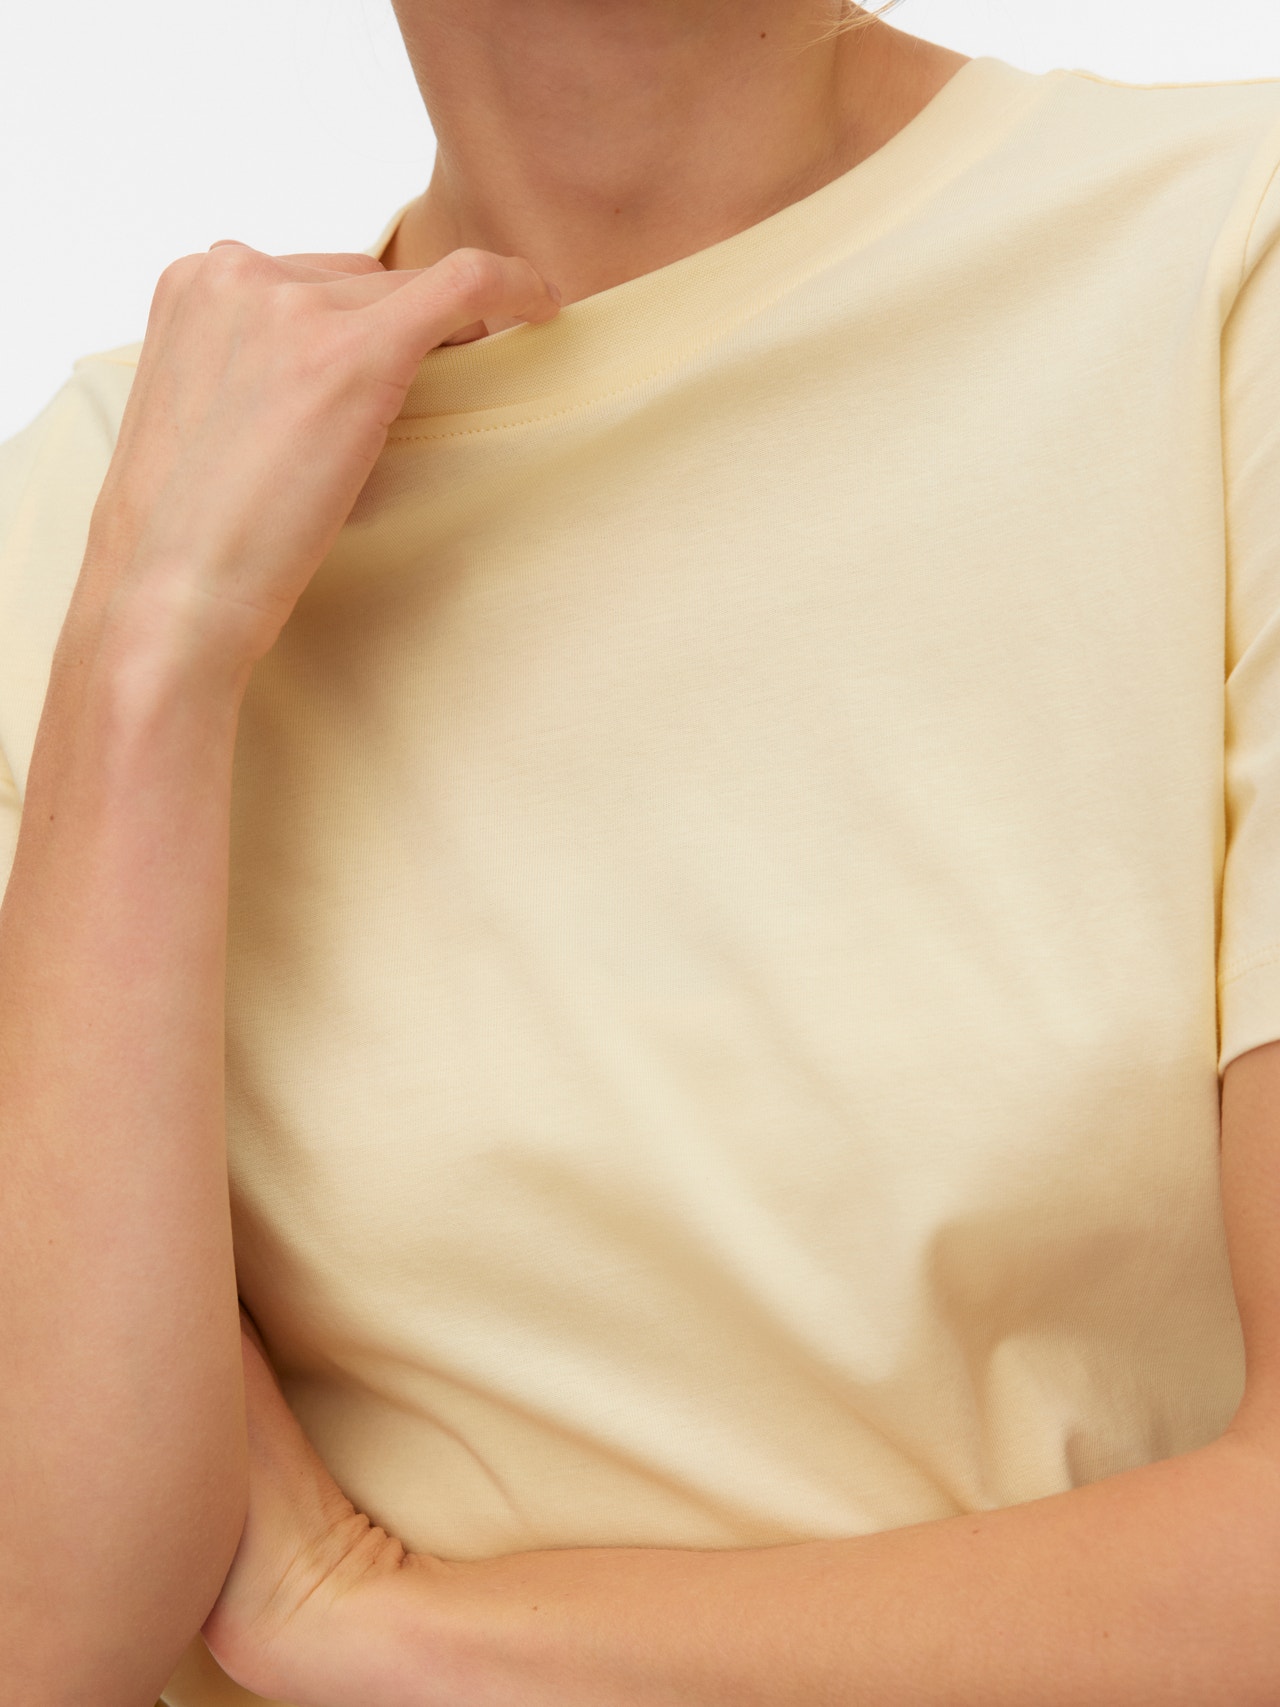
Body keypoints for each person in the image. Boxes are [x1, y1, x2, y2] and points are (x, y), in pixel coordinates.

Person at [4, 0, 1280, 1701]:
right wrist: (155, 646)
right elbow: (47, 1628)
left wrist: (388, 1628)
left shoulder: (1225, 263)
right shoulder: (104, 508)